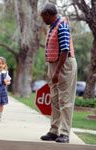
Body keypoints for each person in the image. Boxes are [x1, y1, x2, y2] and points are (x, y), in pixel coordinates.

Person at [40, 3, 77, 143]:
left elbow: (65, 51)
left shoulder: (61, 26)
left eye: (44, 17)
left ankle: (65, 133)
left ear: (49, 15)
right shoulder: (52, 26)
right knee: (54, 99)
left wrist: (57, 72)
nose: (43, 20)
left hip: (64, 65)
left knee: (65, 101)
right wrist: (51, 70)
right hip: (54, 65)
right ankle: (54, 131)